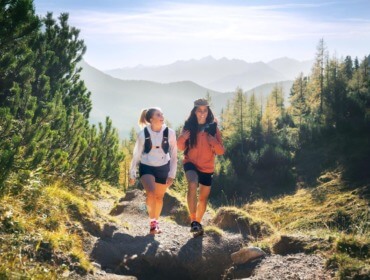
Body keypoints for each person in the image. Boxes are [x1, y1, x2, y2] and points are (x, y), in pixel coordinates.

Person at [177, 98, 225, 236]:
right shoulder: (188, 126)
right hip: (190, 162)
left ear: (208, 111)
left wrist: (213, 141)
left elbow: (221, 151)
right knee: (192, 183)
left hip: (207, 167)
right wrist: (182, 138)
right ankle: (193, 220)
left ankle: (198, 222)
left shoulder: (213, 128)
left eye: (205, 110)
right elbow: (180, 148)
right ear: (195, 111)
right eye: (199, 110)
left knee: (203, 198)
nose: (202, 113)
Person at [129, 107, 177, 234]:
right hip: (147, 166)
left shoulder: (170, 133)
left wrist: (172, 174)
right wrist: (132, 172)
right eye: (158, 114)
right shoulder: (143, 134)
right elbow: (136, 154)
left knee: (159, 197)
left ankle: (156, 222)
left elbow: (174, 155)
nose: (162, 116)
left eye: (162, 114)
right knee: (151, 192)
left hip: (163, 167)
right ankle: (152, 224)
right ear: (151, 119)